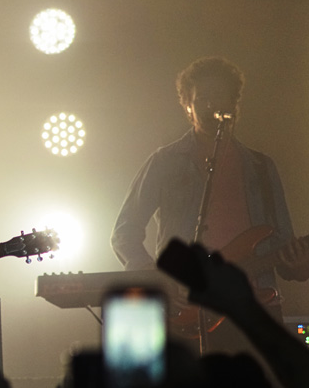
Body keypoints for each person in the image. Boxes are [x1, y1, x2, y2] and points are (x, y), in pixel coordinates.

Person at [111, 56, 309, 349]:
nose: (210, 104)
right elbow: (125, 231)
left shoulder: (261, 167)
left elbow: (284, 246)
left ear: (234, 104)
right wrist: (157, 278)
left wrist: (299, 264)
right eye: (201, 98)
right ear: (187, 105)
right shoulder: (165, 162)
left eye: (218, 96)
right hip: (188, 308)